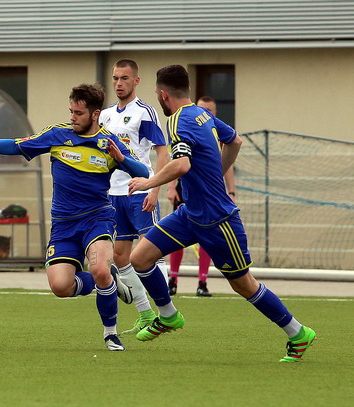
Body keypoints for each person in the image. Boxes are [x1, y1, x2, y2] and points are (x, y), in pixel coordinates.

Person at [127, 65, 316, 362]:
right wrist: (218, 173)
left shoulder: (177, 121)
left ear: (163, 95)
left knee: (244, 285)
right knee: (140, 258)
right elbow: (234, 140)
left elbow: (182, 165)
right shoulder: (202, 115)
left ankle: (298, 332)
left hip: (218, 220)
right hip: (190, 214)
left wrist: (148, 183)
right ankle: (168, 315)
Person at [0, 84, 148, 351]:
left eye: (78, 113)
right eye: (71, 111)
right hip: (63, 225)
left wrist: (121, 159)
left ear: (95, 115)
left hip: (97, 219)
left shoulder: (109, 142)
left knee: (100, 269)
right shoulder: (57, 134)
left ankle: (111, 334)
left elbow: (143, 173)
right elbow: (16, 146)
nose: (72, 117)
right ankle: (109, 281)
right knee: (61, 287)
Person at [98, 59, 170, 336]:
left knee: (153, 249)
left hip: (139, 191)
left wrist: (154, 189)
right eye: (115, 78)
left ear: (136, 81)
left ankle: (166, 312)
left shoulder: (145, 112)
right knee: (120, 256)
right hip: (113, 195)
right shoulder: (105, 115)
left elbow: (162, 152)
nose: (119, 83)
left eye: (124, 78)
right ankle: (146, 313)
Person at [166, 95, 236, 297]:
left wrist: (231, 192)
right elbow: (177, 161)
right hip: (186, 190)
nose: (204, 112)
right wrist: (171, 188)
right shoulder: (185, 127)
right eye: (201, 108)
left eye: (208, 110)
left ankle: (202, 282)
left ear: (214, 112)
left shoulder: (216, 132)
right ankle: (173, 279)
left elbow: (229, 158)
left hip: (208, 194)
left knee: (207, 236)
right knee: (176, 234)